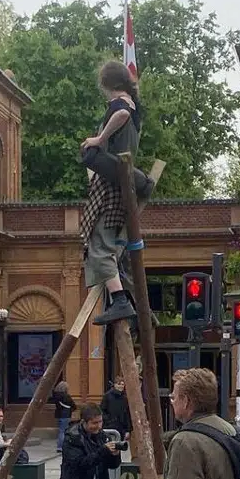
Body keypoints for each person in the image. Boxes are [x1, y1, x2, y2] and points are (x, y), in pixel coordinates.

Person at [80, 59, 147, 326]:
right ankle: (128, 299)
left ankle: (119, 299)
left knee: (99, 246)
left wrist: (100, 139)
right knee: (112, 247)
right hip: (121, 181)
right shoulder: (133, 103)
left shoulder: (121, 104)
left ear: (106, 84)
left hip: (113, 186)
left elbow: (122, 114)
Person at [100, 376, 132, 441]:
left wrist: (128, 430)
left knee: (119, 448)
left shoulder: (125, 398)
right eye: (119, 384)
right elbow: (102, 410)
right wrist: (109, 420)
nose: (121, 386)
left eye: (122, 384)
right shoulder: (107, 396)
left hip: (121, 428)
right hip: (110, 427)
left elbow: (127, 415)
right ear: (114, 385)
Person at [52, 378, 76, 455]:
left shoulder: (55, 396)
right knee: (64, 431)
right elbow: (73, 405)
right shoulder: (66, 396)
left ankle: (59, 446)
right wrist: (71, 409)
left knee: (61, 430)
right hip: (65, 414)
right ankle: (61, 447)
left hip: (59, 414)